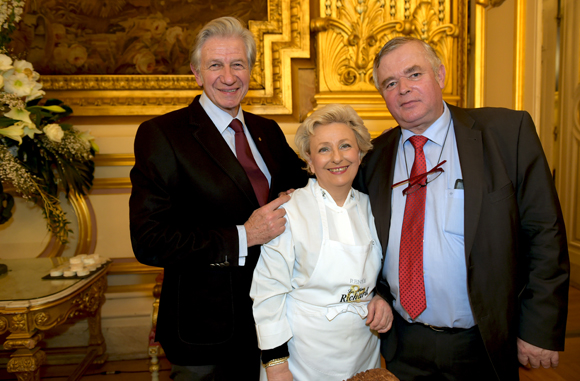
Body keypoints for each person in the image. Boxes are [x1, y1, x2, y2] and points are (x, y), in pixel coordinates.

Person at [356, 36, 570, 380]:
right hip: (403, 343)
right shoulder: (373, 158)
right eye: (390, 83)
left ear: (439, 75)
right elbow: (365, 244)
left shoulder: (506, 134)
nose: (403, 90)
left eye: (414, 74)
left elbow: (545, 233)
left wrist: (538, 328)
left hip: (483, 342)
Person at [129, 17, 308, 381]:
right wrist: (245, 235)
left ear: (251, 70)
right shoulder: (162, 135)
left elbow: (305, 189)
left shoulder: (266, 131)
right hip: (205, 335)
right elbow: (149, 241)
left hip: (275, 323)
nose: (228, 76)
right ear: (196, 73)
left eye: (237, 64)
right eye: (215, 65)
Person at [251, 104, 393, 381]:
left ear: (361, 153)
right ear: (310, 160)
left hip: (364, 353)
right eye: (324, 149)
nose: (337, 157)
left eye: (345, 146)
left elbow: (385, 272)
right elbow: (268, 293)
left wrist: (381, 297)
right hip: (302, 359)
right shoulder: (289, 211)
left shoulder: (375, 208)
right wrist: (276, 364)